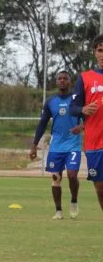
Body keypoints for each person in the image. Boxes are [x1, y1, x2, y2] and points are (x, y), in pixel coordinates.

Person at [29, 70, 83, 219]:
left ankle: (74, 201)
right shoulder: (51, 102)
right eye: (59, 78)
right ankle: (58, 211)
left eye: (65, 78)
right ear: (56, 81)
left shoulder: (77, 99)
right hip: (56, 146)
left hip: (73, 145)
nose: (62, 81)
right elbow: (42, 124)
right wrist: (34, 145)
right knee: (55, 178)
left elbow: (89, 117)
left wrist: (82, 127)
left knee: (72, 175)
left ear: (69, 82)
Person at [71, 34, 103, 213]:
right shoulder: (85, 78)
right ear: (94, 53)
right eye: (100, 50)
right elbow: (73, 108)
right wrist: (83, 110)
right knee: (100, 188)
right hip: (94, 143)